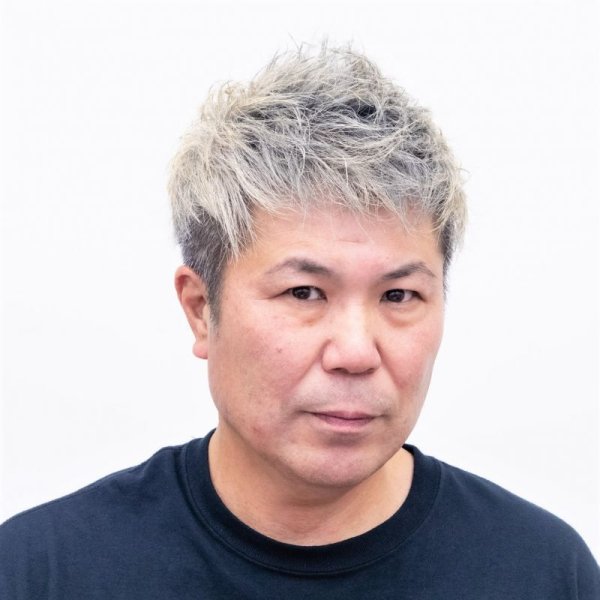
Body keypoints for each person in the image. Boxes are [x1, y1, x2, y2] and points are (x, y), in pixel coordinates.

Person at [0, 44, 598, 599]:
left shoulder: (542, 573)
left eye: (398, 295)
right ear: (202, 309)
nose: (356, 353)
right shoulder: (45, 571)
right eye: (304, 292)